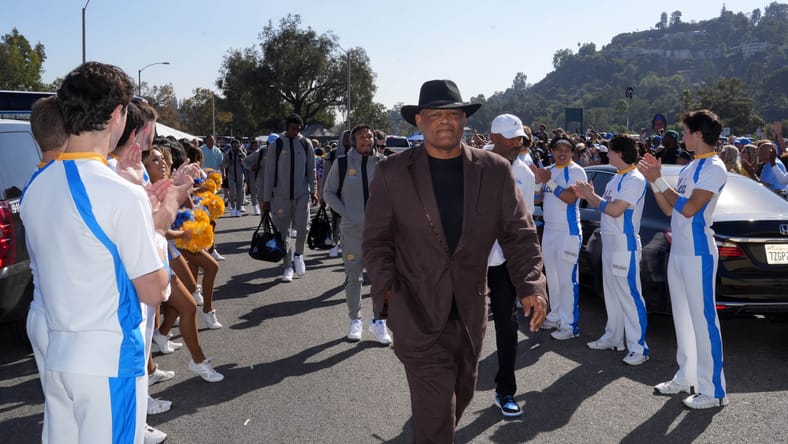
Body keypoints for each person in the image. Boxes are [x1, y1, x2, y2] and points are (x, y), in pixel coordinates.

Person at [363, 79, 547, 443]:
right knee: (435, 417)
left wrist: (531, 284)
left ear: (464, 120)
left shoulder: (494, 170)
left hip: (469, 313)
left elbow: (519, 233)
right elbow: (377, 241)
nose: (444, 121)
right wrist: (388, 295)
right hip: (414, 311)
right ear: (419, 120)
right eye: (434, 114)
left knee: (457, 398)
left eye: (453, 114)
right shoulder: (393, 172)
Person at [20, 61, 174, 443]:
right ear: (117, 115)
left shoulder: (37, 185)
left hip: (58, 352)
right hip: (108, 358)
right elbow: (154, 291)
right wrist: (158, 227)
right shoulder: (120, 193)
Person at [638, 109, 729, 410]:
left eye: (686, 132)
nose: (682, 137)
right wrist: (654, 180)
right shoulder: (691, 167)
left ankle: (714, 390)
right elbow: (668, 210)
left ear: (699, 134)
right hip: (679, 251)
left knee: (704, 321)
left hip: (699, 252)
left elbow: (689, 209)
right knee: (683, 319)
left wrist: (660, 180)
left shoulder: (714, 167)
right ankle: (686, 376)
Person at [573, 135, 650, 366]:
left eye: (610, 151)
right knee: (612, 294)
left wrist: (590, 196)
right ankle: (614, 337)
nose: (607, 154)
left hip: (624, 244)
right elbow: (605, 207)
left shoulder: (634, 179)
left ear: (620, 153)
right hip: (610, 242)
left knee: (629, 295)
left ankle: (639, 347)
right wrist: (590, 196)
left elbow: (615, 210)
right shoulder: (617, 178)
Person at [484, 113, 537, 417]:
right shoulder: (472, 166)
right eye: (511, 137)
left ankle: (505, 391)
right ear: (494, 137)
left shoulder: (526, 175)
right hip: (471, 261)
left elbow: (524, 225)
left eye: (520, 137)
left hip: (503, 262)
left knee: (507, 325)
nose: (518, 142)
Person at [322, 123, 391, 345]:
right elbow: (328, 193)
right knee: (354, 277)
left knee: (381, 278)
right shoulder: (342, 164)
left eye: (370, 137)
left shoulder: (383, 164)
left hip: (380, 232)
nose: (366, 140)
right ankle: (355, 320)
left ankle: (379, 322)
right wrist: (346, 214)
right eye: (361, 137)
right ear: (353, 141)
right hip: (352, 230)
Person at [532, 135, 587, 340]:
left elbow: (570, 198)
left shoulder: (576, 171)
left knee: (567, 279)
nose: (562, 153)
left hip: (568, 231)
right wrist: (538, 182)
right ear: (552, 150)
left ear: (572, 152)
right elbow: (538, 199)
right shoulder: (549, 170)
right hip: (550, 230)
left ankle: (570, 325)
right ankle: (555, 315)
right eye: (557, 149)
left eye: (566, 149)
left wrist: (548, 181)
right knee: (553, 278)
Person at [262, 113, 317, 282]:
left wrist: (314, 190)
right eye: (293, 128)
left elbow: (311, 169)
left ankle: (299, 255)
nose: (296, 131)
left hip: (301, 195)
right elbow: (269, 173)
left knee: (302, 228)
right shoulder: (277, 145)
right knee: (282, 233)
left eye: (299, 129)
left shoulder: (305, 144)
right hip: (281, 197)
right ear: (287, 127)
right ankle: (287, 266)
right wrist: (266, 199)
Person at [323, 130, 351, 257]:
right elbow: (326, 175)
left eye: (350, 138)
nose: (347, 140)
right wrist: (322, 194)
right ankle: (335, 243)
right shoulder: (333, 155)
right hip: (336, 193)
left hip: (352, 195)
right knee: (336, 221)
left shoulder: (357, 155)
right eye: (345, 137)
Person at [243, 138, 268, 216]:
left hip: (274, 182)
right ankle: (255, 207)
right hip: (256, 177)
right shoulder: (259, 152)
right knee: (254, 192)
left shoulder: (280, 151)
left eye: (256, 144)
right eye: (254, 144)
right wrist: (251, 167)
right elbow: (245, 161)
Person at [223, 138, 247, 217]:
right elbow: (223, 165)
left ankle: (238, 209)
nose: (236, 146)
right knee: (232, 192)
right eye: (234, 145)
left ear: (239, 145)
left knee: (240, 193)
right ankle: (233, 208)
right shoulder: (228, 154)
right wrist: (229, 163)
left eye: (237, 145)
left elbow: (246, 164)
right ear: (232, 145)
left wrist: (242, 161)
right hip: (231, 175)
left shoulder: (242, 153)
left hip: (240, 175)